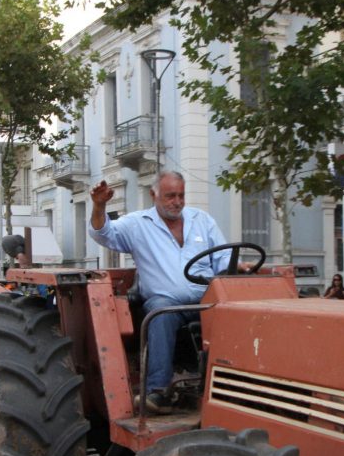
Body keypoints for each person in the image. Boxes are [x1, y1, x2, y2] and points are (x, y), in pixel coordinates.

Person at [88, 171, 240, 413]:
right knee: (161, 312)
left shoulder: (202, 220)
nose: (177, 202)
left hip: (206, 298)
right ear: (153, 195)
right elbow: (102, 233)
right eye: (170, 196)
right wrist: (99, 206)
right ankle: (157, 391)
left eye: (181, 195)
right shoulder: (137, 224)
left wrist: (236, 272)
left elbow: (223, 259)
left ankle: (236, 384)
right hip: (168, 302)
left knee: (239, 309)